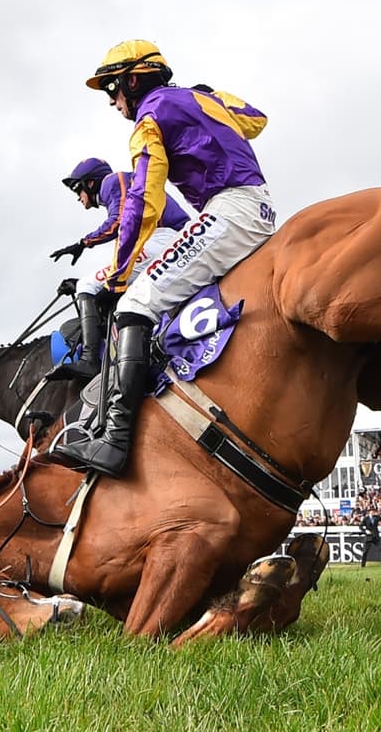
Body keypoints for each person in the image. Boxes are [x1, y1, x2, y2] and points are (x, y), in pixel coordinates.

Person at [52, 39, 274, 478]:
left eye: (112, 90)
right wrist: (210, 97)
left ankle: (114, 441)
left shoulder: (148, 119)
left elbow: (144, 201)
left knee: (134, 303)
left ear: (132, 81)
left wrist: (118, 272)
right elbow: (256, 119)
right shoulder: (197, 99)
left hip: (228, 213)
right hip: (260, 209)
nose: (112, 102)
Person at [47, 157, 190, 380]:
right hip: (166, 241)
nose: (78, 197)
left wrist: (83, 243)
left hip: (163, 238)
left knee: (88, 285)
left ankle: (90, 360)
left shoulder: (112, 182)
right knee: (97, 288)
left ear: (90, 183)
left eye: (78, 189)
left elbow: (119, 221)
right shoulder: (117, 188)